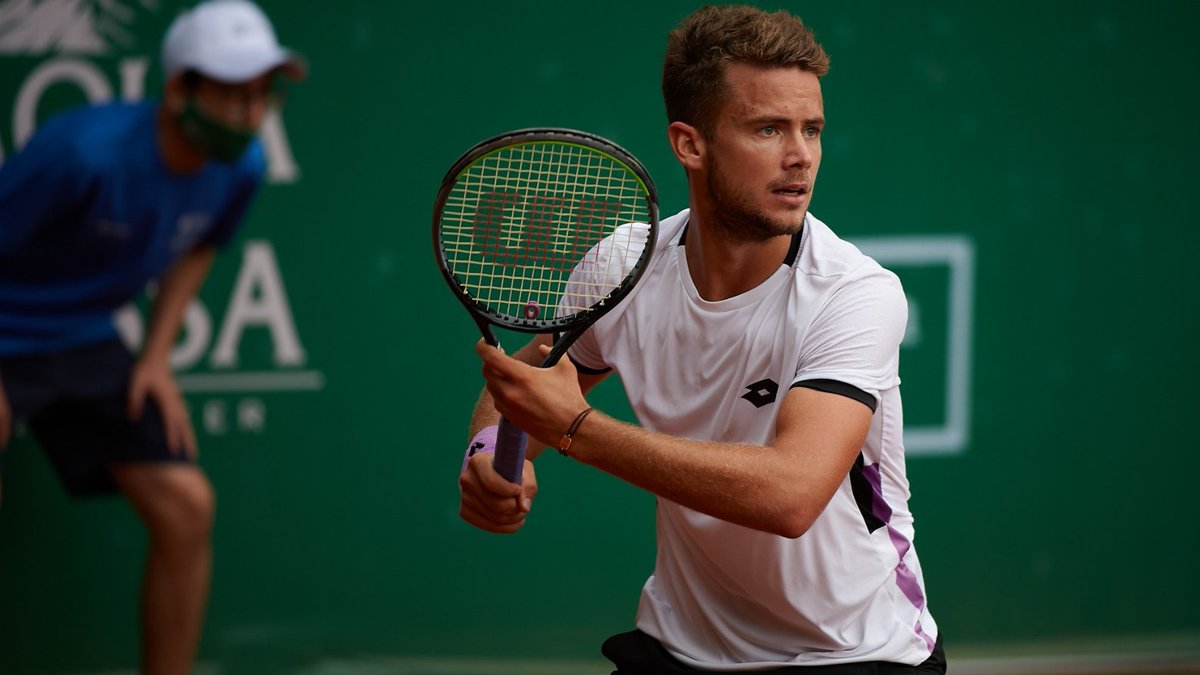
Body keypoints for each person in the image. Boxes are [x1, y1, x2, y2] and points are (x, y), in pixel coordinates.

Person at [457, 5, 945, 674]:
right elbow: (524, 393)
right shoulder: (623, 267)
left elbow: (790, 494)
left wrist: (573, 427)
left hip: (855, 652)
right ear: (690, 143)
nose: (800, 155)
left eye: (812, 129)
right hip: (680, 646)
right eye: (768, 129)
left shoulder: (854, 292)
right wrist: (490, 452)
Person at [0, 1, 304, 672]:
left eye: (261, 92)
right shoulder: (81, 155)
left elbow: (199, 249)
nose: (251, 112)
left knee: (189, 505)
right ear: (177, 88)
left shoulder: (243, 166)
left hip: (83, 337)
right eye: (230, 91)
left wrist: (157, 356)